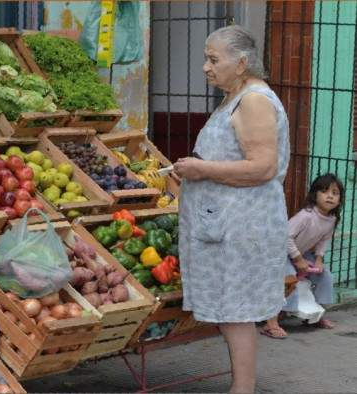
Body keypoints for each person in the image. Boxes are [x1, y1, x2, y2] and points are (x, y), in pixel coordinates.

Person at [174, 25, 290, 394]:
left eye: (213, 59)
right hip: (227, 224)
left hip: (242, 226)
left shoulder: (254, 100)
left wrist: (201, 169)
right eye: (205, 59)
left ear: (240, 63)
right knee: (232, 310)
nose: (206, 67)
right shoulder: (235, 98)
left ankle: (243, 388)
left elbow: (263, 167)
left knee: (237, 312)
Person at [261, 174, 344, 339]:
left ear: (339, 199)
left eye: (335, 193)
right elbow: (285, 237)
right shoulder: (306, 216)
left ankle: (315, 316)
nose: (330, 196)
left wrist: (319, 259)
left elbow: (323, 240)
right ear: (315, 195)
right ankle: (271, 323)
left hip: (299, 251)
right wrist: (298, 260)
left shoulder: (331, 219)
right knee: (288, 279)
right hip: (278, 251)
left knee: (325, 276)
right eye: (325, 191)